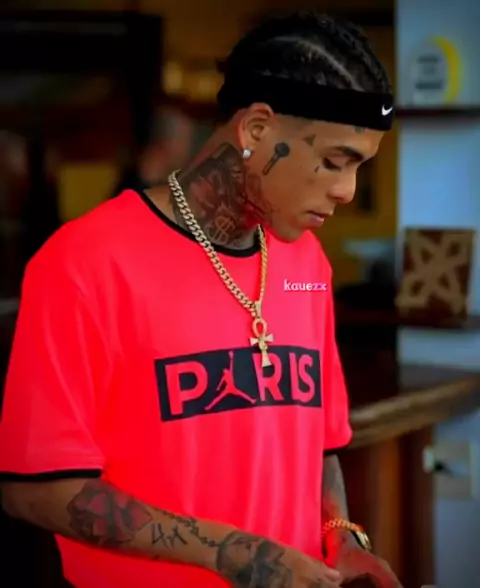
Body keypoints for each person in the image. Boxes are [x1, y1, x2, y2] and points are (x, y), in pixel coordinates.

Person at [0, 10, 402, 588]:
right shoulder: (83, 264)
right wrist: (230, 552)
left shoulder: (307, 267)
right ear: (256, 131)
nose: (346, 189)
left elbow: (320, 444)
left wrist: (343, 537)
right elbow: (34, 490)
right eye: (334, 162)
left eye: (359, 166)